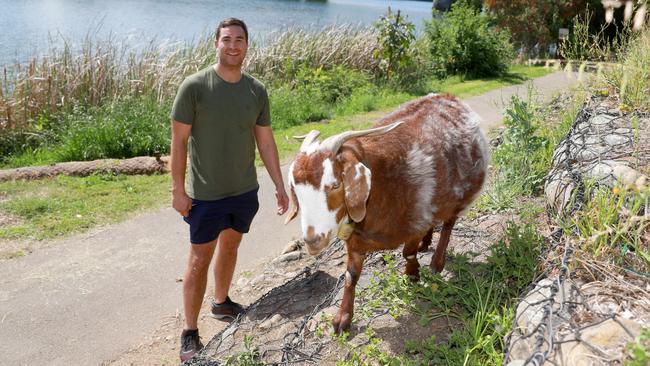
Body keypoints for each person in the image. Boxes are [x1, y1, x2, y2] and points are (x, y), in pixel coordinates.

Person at [170, 18, 289, 362]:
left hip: (243, 191)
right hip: (206, 195)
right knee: (198, 259)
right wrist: (178, 190)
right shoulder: (194, 86)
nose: (233, 45)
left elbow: (265, 142)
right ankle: (189, 332)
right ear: (216, 44)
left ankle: (221, 302)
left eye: (239, 40)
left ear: (247, 45)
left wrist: (279, 186)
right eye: (227, 39)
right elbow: (178, 143)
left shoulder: (256, 90)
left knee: (232, 247)